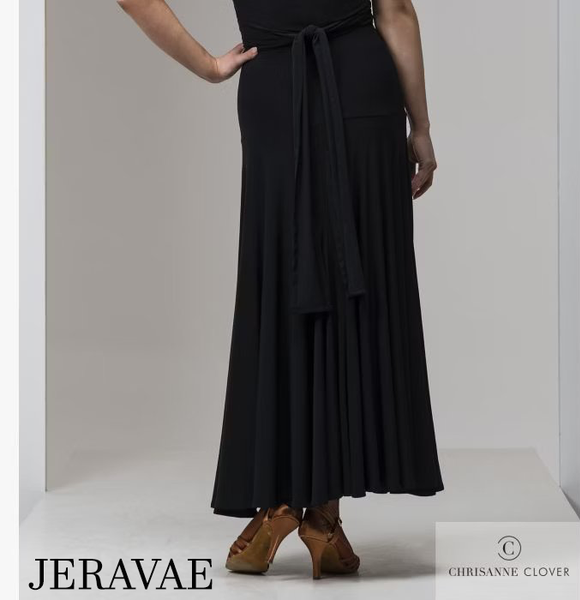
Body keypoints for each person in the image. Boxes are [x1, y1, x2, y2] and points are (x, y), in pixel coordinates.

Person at [117, 0, 443, 579]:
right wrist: (420, 127)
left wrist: (209, 65)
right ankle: (323, 517)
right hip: (362, 89)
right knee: (355, 287)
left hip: (273, 90)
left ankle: (283, 503)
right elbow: (395, 10)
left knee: (287, 277)